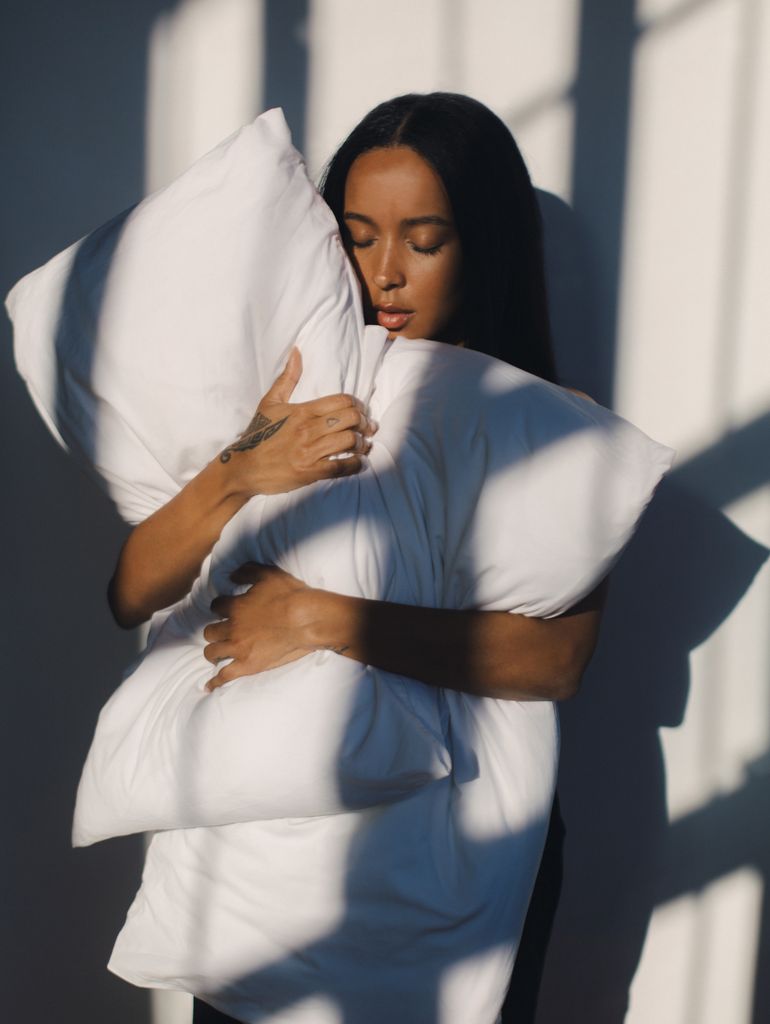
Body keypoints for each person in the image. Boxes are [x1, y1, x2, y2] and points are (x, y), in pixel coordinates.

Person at [108, 92, 604, 1023]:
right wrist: (240, 470)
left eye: (425, 240)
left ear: (481, 245)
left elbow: (557, 658)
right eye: (358, 235)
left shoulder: (540, 418)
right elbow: (130, 593)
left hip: (465, 846)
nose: (386, 274)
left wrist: (319, 620)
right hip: (268, 854)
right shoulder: (287, 385)